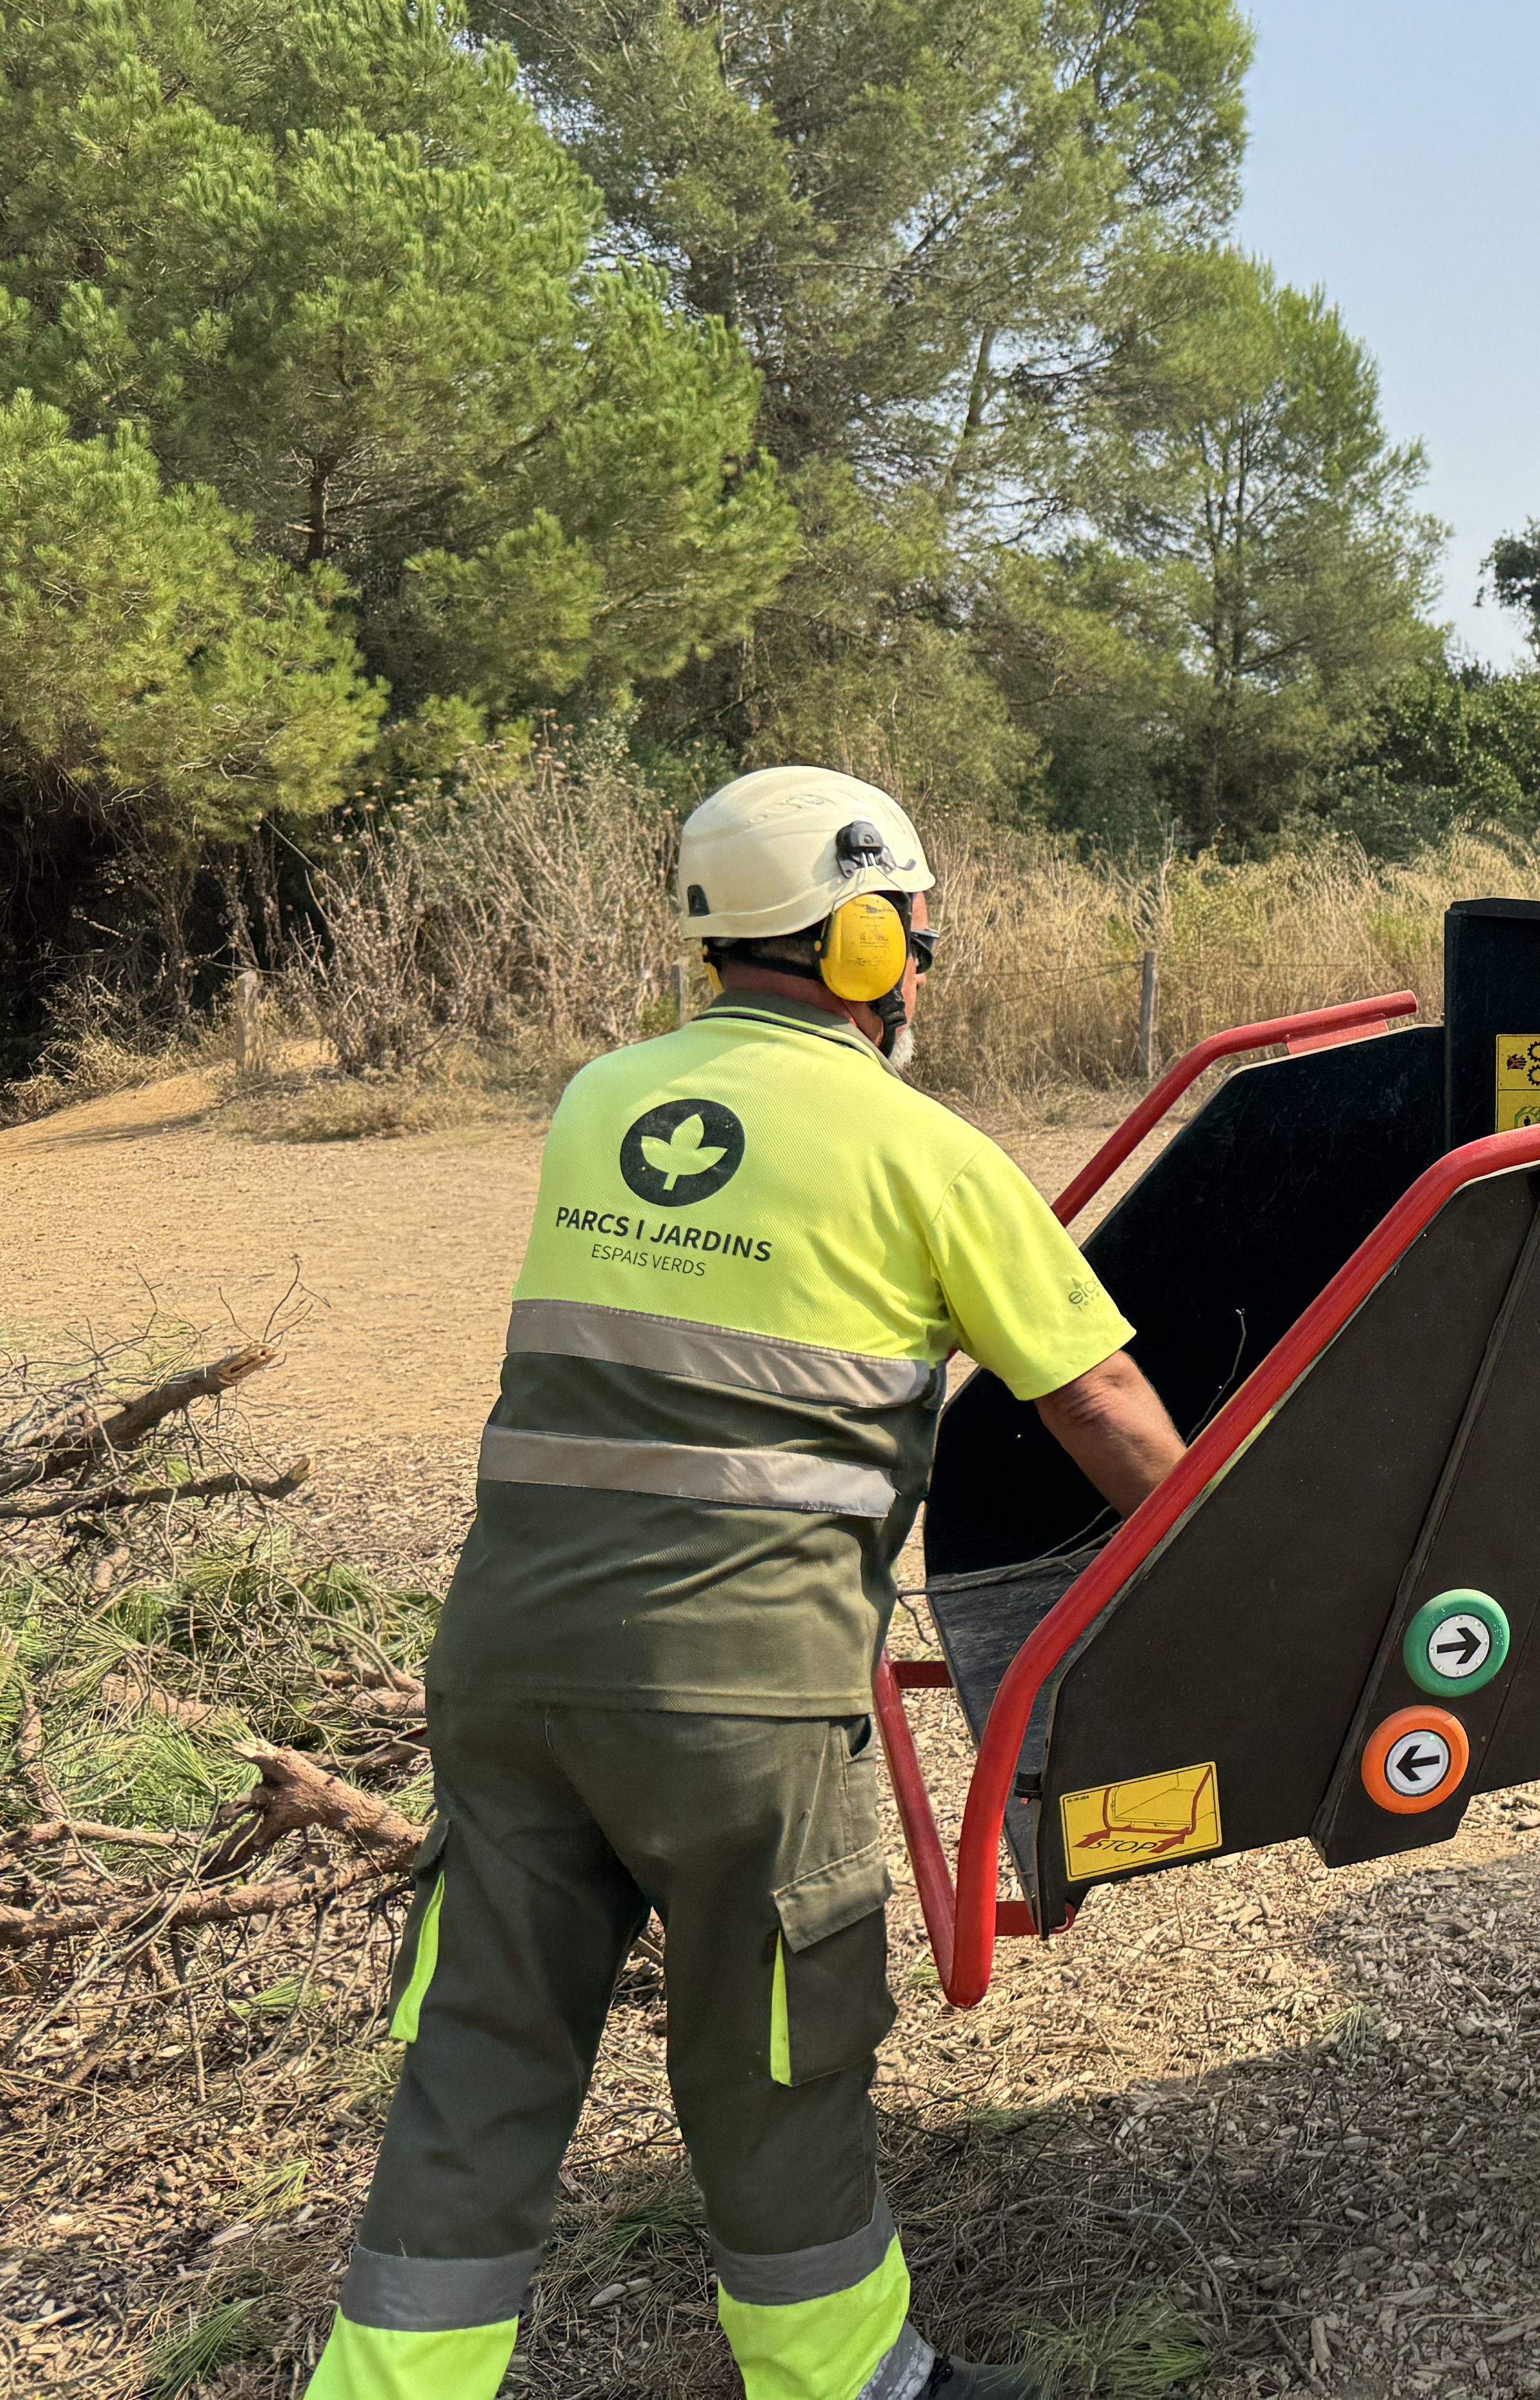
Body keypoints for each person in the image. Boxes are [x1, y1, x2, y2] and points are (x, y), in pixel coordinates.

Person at [307, 766, 1188, 2400]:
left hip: (507, 1674)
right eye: (913, 937)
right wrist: (1228, 1575)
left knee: (483, 2057)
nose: (919, 967)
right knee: (776, 2056)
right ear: (863, 942)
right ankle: (843, 2380)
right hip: (740, 1697)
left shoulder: (596, 1102)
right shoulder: (921, 1150)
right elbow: (1099, 1402)